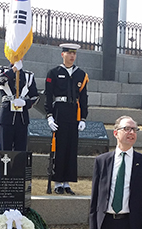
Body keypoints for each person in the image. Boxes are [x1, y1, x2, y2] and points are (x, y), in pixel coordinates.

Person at [44, 43, 89, 195]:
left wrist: (83, 118)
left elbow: (83, 97)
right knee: (60, 147)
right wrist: (49, 116)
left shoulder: (81, 74)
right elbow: (48, 96)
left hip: (73, 113)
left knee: (71, 147)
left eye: (74, 53)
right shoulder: (54, 73)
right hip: (59, 111)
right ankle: (57, 182)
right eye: (69, 53)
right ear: (62, 54)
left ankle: (67, 182)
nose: (72, 56)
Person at [0, 60, 39, 151]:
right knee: (5, 151)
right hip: (7, 117)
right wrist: (13, 69)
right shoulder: (2, 70)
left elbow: (35, 97)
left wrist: (26, 103)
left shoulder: (28, 75)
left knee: (20, 152)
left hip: (22, 118)